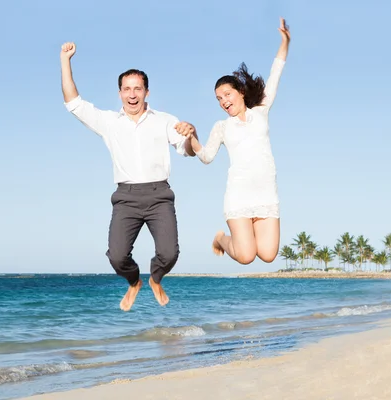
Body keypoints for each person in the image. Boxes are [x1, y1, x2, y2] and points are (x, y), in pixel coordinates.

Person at [60, 42, 196, 311]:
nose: (132, 94)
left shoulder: (164, 120)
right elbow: (73, 103)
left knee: (170, 254)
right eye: (127, 89)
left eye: (138, 88)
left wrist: (191, 135)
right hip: (126, 197)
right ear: (120, 92)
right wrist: (65, 60)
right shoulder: (109, 122)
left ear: (146, 92)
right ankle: (135, 282)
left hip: (159, 195)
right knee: (117, 257)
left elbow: (187, 151)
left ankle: (156, 278)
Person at [175, 18, 290, 265]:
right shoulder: (222, 127)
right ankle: (220, 239)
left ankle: (233, 241)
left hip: (266, 193)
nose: (224, 101)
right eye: (218, 98)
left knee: (268, 255)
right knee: (246, 257)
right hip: (238, 195)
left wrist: (285, 42)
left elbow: (276, 71)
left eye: (227, 94)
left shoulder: (261, 110)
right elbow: (205, 157)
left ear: (240, 92)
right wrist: (192, 137)